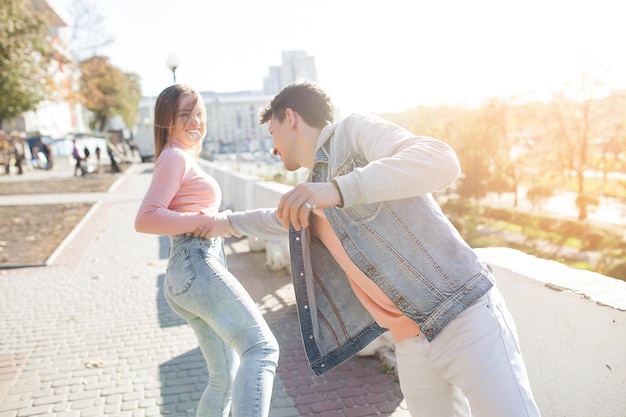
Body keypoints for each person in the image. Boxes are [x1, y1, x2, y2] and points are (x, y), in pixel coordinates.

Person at [206, 81, 541, 417]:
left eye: (271, 132)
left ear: (289, 117)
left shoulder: (353, 132)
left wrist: (339, 189)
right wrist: (216, 224)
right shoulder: (311, 187)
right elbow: (276, 220)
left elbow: (442, 160)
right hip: (409, 341)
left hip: (463, 314)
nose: (272, 147)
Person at [134, 84, 279, 417]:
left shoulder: (180, 158)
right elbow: (145, 218)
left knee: (223, 381)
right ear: (166, 121)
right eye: (185, 115)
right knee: (261, 348)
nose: (195, 121)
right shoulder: (173, 157)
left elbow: (198, 219)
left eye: (199, 114)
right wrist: (197, 219)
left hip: (186, 274)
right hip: (194, 264)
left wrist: (221, 225)